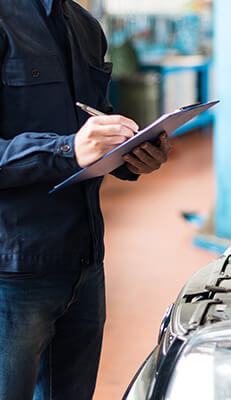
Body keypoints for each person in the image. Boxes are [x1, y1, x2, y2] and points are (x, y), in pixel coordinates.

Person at [0, 0, 171, 399]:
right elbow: (75, 145)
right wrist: (66, 149)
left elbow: (96, 123)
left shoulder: (85, 25)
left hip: (85, 264)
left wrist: (132, 156)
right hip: (14, 271)